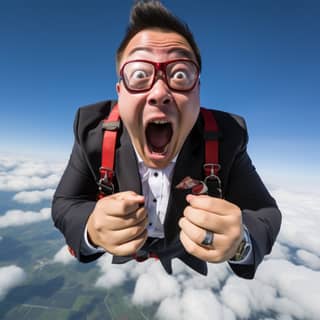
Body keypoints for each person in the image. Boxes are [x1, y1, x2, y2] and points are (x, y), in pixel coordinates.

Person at [52, 0, 281, 279]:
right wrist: (91, 229)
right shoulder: (92, 132)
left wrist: (241, 242)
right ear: (119, 91)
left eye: (180, 74)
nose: (159, 92)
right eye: (139, 75)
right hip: (129, 251)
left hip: (184, 249)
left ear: (198, 92)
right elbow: (65, 202)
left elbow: (265, 213)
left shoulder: (227, 138)